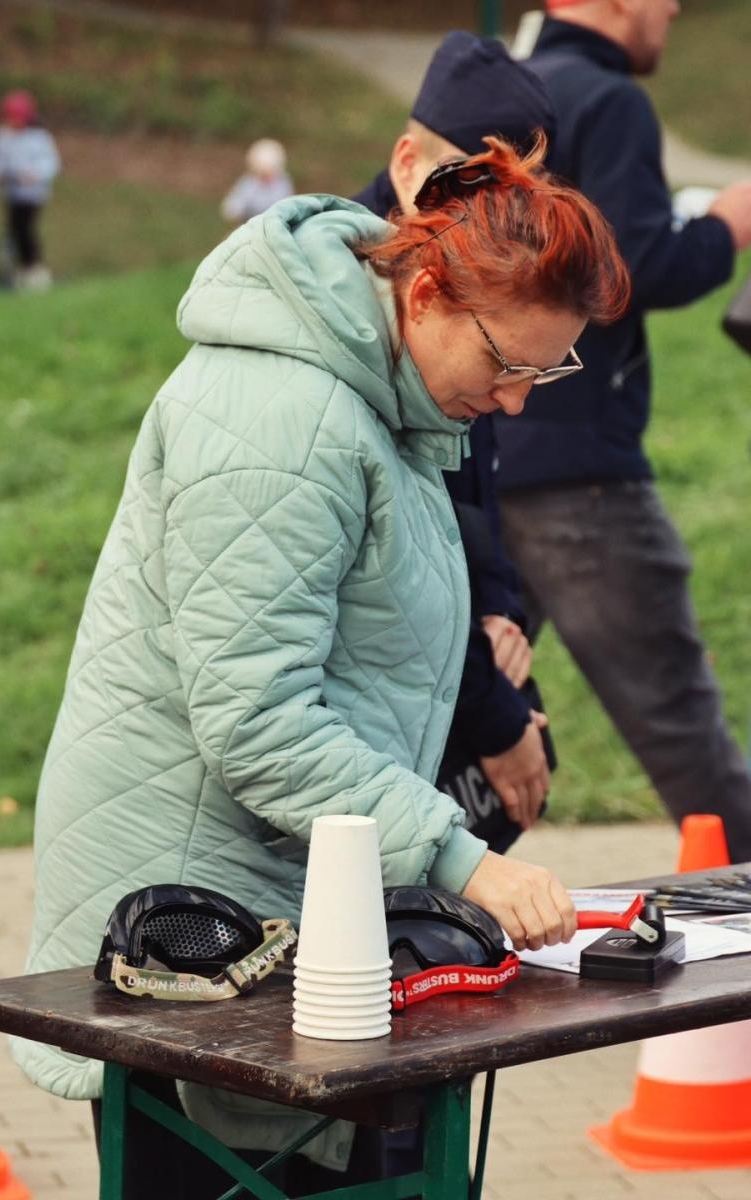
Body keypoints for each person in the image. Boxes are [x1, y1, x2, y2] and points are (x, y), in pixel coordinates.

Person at [12, 137, 628, 1194]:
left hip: (281, 890)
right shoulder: (281, 419)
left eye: (544, 371)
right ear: (424, 293)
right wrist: (462, 860)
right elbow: (258, 719)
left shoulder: (385, 400)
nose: (516, 401)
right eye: (506, 363)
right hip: (191, 925)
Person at [490, 0, 751, 863]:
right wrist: (728, 223)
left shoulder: (503, 93)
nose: (672, 7)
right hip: (582, 476)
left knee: (460, 714)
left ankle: (393, 907)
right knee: (681, 722)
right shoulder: (607, 99)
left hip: (479, 452)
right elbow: (628, 267)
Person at [356, 32, 560, 850]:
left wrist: (504, 614)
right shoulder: (369, 307)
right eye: (471, 192)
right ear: (407, 165)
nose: (495, 229)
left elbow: (478, 482)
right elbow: (395, 571)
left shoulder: (480, 281)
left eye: (517, 205)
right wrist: (494, 710)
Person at [0, 90, 60, 291]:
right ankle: (11, 270)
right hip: (11, 192)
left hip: (33, 195)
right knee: (11, 231)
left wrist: (34, 175)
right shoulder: (2, 136)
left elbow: (51, 164)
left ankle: (34, 269)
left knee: (25, 230)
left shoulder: (39, 138)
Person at [221, 136, 293, 224]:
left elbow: (285, 208)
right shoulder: (248, 183)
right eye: (262, 172)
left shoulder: (282, 184)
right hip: (250, 226)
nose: (266, 176)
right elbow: (231, 208)